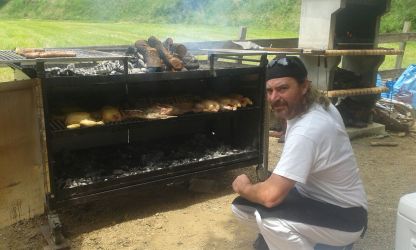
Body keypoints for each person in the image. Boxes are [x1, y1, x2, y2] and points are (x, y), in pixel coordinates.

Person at [231, 56, 368, 250]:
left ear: (304, 86)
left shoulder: (308, 129)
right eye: (270, 90)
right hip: (319, 198)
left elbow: (271, 197)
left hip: (345, 215)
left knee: (268, 218)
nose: (274, 97)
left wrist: (243, 186)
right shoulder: (319, 104)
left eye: (283, 88)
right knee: (244, 207)